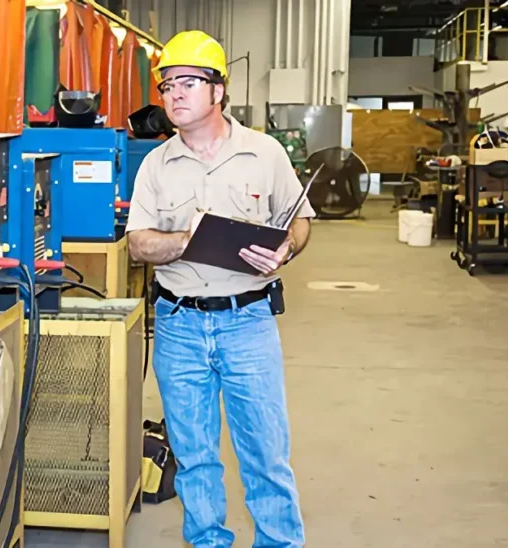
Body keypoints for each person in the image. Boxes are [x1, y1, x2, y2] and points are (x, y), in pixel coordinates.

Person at [125, 30, 313, 548]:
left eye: (189, 82)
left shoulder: (265, 153)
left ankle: (278, 542)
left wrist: (287, 249)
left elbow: (301, 222)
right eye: (167, 85)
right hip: (180, 325)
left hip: (247, 322)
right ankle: (208, 541)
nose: (175, 94)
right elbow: (139, 243)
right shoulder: (154, 165)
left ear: (219, 90)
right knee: (195, 456)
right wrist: (189, 240)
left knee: (265, 453)